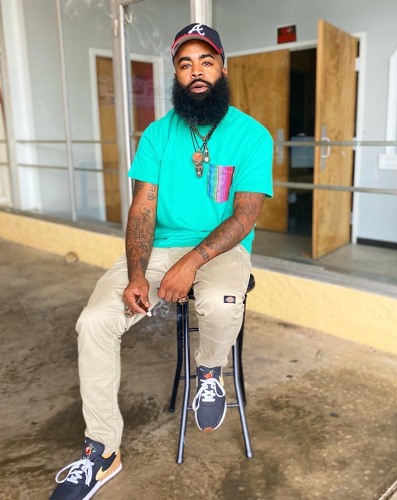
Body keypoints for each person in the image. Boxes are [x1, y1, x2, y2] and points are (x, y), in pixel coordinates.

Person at [50, 23, 273, 500]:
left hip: (221, 248)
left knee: (220, 301)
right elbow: (143, 209)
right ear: (176, 74)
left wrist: (190, 263)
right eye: (186, 64)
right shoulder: (157, 134)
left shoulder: (252, 136)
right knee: (95, 322)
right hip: (158, 249)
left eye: (206, 62)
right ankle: (102, 451)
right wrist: (137, 273)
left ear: (223, 68)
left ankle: (209, 372)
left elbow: (245, 215)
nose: (197, 72)